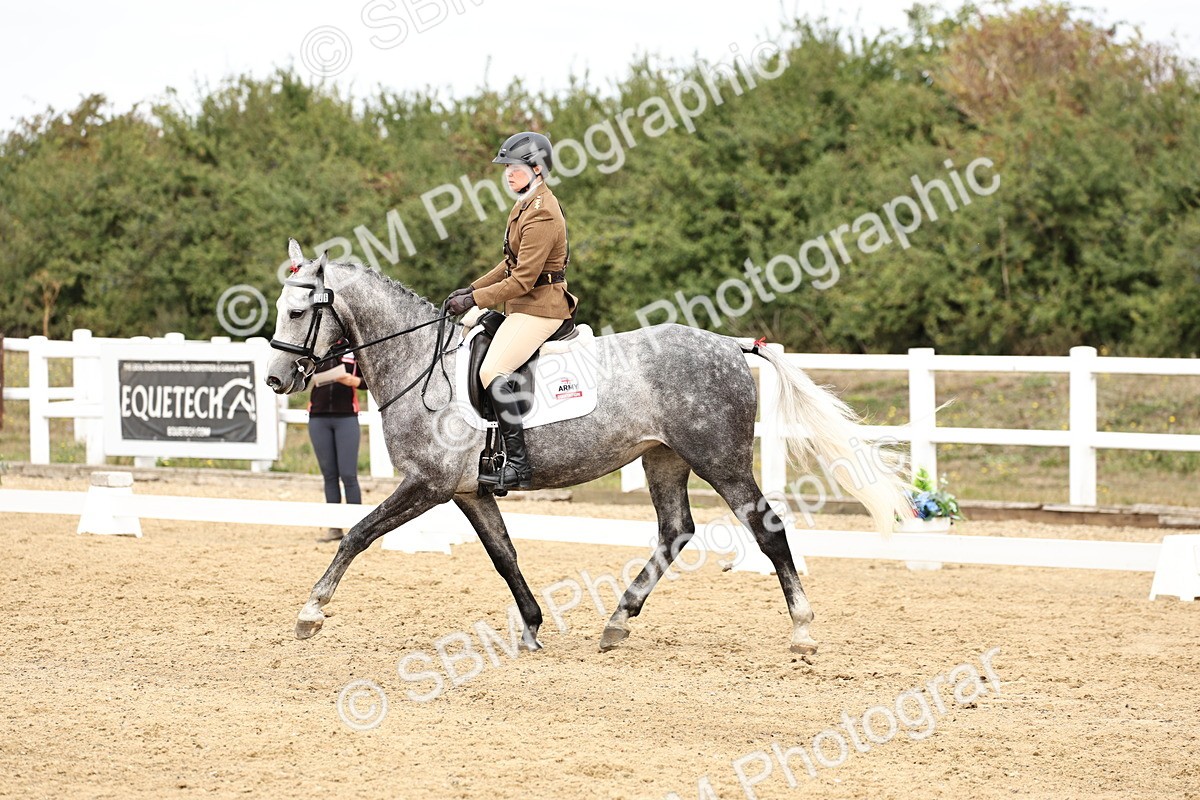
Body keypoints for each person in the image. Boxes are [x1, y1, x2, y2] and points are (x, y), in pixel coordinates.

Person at [446, 130, 578, 491]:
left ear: (537, 169)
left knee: (492, 369)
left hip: (541, 308)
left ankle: (518, 465)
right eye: (506, 168)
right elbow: (508, 264)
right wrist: (472, 288)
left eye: (514, 167)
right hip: (523, 306)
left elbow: (521, 280)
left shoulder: (543, 212)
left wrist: (475, 301)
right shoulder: (523, 205)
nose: (507, 174)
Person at [307, 344, 367, 542]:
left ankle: (358, 529)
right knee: (329, 475)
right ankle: (334, 528)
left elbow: (369, 379)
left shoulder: (353, 349)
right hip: (318, 417)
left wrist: (355, 381)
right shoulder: (317, 350)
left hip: (346, 417)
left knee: (349, 475)